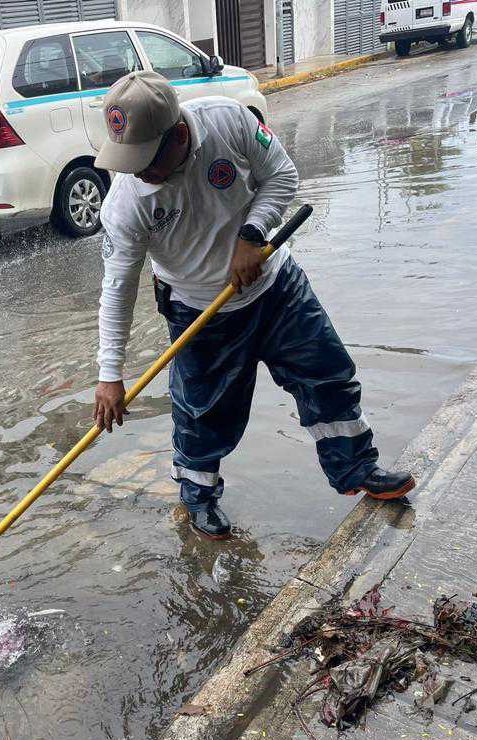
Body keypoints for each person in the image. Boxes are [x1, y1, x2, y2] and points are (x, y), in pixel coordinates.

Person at [91, 71, 415, 540]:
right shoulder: (125, 203)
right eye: (127, 161)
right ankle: (199, 497)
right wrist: (109, 375)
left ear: (178, 134)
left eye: (144, 161)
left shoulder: (229, 120)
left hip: (277, 288)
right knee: (204, 415)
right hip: (201, 312)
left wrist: (253, 234)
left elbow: (282, 175)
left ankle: (357, 469)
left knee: (327, 377)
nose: (136, 173)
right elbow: (117, 287)